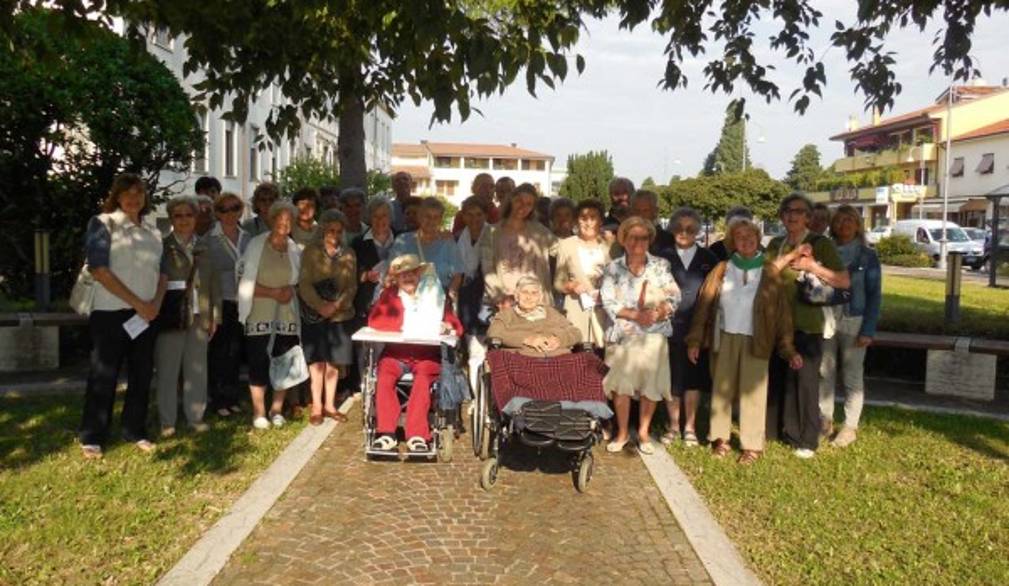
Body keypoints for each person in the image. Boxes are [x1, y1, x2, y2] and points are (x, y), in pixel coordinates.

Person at [685, 218, 802, 464]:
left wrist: (788, 349)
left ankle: (751, 446)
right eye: (740, 237)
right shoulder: (722, 269)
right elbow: (704, 305)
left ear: (758, 240)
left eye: (750, 237)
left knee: (753, 393)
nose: (746, 241)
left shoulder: (769, 271)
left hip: (756, 339)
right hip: (724, 336)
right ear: (732, 242)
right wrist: (695, 340)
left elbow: (782, 313)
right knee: (722, 389)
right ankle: (720, 439)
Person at [79, 173, 164, 459]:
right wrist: (138, 303)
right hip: (110, 313)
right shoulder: (102, 224)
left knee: (141, 375)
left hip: (146, 315)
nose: (133, 198)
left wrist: (154, 304)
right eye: (127, 192)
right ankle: (92, 436)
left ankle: (135, 430)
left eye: (139, 192)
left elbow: (163, 273)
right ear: (116, 196)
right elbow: (99, 270)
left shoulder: (153, 230)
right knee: (104, 375)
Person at [765, 193, 850, 459]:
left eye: (799, 211)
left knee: (805, 382)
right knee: (782, 380)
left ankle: (808, 439)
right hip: (777, 322)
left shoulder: (820, 243)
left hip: (807, 323)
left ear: (808, 217)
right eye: (788, 211)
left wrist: (812, 266)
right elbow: (765, 275)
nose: (792, 216)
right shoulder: (777, 243)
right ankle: (787, 432)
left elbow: (844, 281)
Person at [600, 217, 681, 455]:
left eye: (644, 237)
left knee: (651, 386)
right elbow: (608, 301)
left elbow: (675, 296)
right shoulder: (613, 268)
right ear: (623, 239)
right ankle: (623, 432)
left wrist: (659, 311)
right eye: (633, 237)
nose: (638, 242)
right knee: (621, 387)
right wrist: (636, 315)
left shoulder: (661, 265)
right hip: (624, 335)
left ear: (650, 240)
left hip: (654, 335)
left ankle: (644, 432)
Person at [367, 254, 463, 453]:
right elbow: (374, 321)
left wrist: (446, 326)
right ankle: (386, 433)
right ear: (397, 278)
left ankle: (417, 435)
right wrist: (406, 323)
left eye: (411, 273)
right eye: (403, 275)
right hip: (396, 353)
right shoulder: (390, 295)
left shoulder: (434, 294)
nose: (408, 278)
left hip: (426, 355)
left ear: (419, 274)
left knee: (422, 380)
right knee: (384, 375)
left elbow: (456, 325)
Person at [155, 196, 220, 437]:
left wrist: (215, 315)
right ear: (171, 219)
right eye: (178, 215)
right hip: (172, 315)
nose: (184, 220)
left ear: (196, 218)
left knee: (197, 369)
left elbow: (214, 283)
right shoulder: (162, 246)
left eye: (189, 215)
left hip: (199, 314)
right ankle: (167, 420)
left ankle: (195, 416)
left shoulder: (205, 246)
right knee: (168, 369)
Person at [819, 205, 881, 447]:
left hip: (853, 319)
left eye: (849, 220)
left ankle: (850, 426)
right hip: (825, 317)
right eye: (839, 220)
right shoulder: (824, 251)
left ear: (858, 225)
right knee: (824, 372)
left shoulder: (868, 256)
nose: (844, 224)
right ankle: (824, 421)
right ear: (832, 225)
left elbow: (875, 295)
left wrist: (869, 329)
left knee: (852, 376)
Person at [237, 200, 302, 429]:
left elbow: (297, 281)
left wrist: (288, 291)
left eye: (289, 220)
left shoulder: (293, 247)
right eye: (280, 219)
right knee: (258, 360)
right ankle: (259, 412)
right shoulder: (256, 245)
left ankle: (276, 409)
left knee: (283, 360)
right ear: (272, 220)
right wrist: (272, 292)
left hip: (286, 313)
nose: (284, 224)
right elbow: (242, 279)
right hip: (259, 310)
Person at [657, 207, 718, 447]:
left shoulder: (708, 259)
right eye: (679, 228)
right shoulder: (661, 256)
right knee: (672, 377)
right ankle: (673, 426)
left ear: (698, 231)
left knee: (693, 378)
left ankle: (690, 428)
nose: (684, 232)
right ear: (672, 229)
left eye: (690, 228)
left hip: (697, 327)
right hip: (668, 327)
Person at [299, 210, 357, 426]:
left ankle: (330, 405)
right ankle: (316, 406)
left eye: (339, 231)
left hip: (340, 315)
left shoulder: (349, 253)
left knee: (333, 362)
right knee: (317, 363)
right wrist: (320, 305)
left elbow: (352, 286)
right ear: (323, 229)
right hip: (315, 313)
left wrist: (336, 305)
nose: (334, 234)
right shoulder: (311, 252)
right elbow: (303, 283)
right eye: (331, 230)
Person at [206, 192, 249, 417]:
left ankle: (232, 397)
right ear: (217, 213)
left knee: (235, 352)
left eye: (234, 208)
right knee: (219, 353)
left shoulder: (247, 237)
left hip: (242, 302)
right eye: (224, 209)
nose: (229, 213)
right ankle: (219, 400)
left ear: (240, 210)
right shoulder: (209, 240)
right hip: (220, 302)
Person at [481, 183, 557, 309]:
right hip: (507, 302)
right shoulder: (491, 232)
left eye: (529, 204)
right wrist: (500, 297)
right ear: (511, 200)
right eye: (519, 201)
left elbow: (560, 249)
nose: (522, 207)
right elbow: (487, 269)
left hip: (538, 302)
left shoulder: (540, 231)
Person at [553, 199, 615, 348]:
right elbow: (557, 282)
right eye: (583, 218)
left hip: (604, 312)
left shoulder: (610, 245)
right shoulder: (566, 245)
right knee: (579, 356)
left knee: (602, 358)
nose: (588, 223)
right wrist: (571, 286)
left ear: (601, 221)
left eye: (593, 218)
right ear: (576, 221)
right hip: (577, 309)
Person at [390, 197, 463, 302]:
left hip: (438, 301)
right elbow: (392, 271)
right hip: (406, 301)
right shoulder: (403, 241)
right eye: (427, 216)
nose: (431, 221)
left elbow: (458, 274)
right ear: (419, 217)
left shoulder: (448, 243)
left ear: (441, 219)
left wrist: (450, 294)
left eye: (436, 217)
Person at [488, 276, 582, 357]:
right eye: (525, 292)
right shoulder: (507, 315)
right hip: (521, 361)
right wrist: (526, 339)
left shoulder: (551, 313)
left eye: (534, 293)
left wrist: (559, 339)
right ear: (516, 296)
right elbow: (494, 333)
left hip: (558, 359)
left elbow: (575, 332)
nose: (529, 297)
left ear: (540, 297)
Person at [456, 195, 491, 332]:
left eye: (478, 214)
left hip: (487, 291)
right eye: (469, 214)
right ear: (463, 216)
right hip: (464, 292)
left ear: (486, 215)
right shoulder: (457, 237)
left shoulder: (495, 235)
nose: (474, 219)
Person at [629, 189, 675, 254]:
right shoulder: (624, 238)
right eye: (637, 210)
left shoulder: (667, 240)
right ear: (631, 212)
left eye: (645, 210)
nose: (640, 215)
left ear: (655, 211)